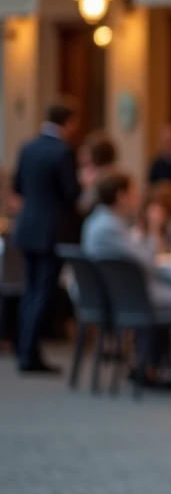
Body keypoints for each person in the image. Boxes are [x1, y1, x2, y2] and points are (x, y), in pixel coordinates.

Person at [11, 99, 83, 374]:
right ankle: (30, 353)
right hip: (52, 230)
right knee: (44, 292)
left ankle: (23, 348)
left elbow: (18, 187)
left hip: (27, 227)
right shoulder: (63, 151)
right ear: (69, 122)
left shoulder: (27, 147)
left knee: (29, 290)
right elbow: (72, 193)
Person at [81, 174, 171, 308]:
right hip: (127, 293)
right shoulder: (109, 226)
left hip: (114, 290)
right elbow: (148, 262)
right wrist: (154, 227)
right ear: (121, 196)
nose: (138, 199)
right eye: (134, 193)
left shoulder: (98, 220)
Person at [77, 131, 118, 216]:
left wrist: (88, 187)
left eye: (85, 152)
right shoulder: (111, 172)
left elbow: (84, 206)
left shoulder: (101, 176)